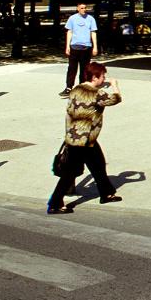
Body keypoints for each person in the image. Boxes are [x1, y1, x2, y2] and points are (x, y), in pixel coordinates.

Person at [47, 62, 123, 213]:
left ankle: (106, 193)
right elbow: (115, 99)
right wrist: (115, 85)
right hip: (84, 139)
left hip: (76, 136)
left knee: (98, 165)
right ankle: (55, 203)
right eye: (102, 76)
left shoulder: (76, 89)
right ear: (95, 77)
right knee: (70, 172)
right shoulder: (96, 93)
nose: (104, 79)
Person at [62, 2, 98, 96]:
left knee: (84, 69)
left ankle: (82, 87)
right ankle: (69, 87)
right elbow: (69, 32)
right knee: (72, 68)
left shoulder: (90, 19)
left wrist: (95, 46)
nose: (84, 10)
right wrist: (67, 46)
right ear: (77, 8)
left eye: (85, 8)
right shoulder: (72, 18)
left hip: (86, 47)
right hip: (74, 46)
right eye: (82, 8)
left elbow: (93, 32)